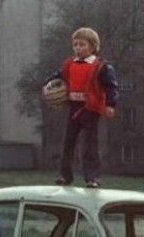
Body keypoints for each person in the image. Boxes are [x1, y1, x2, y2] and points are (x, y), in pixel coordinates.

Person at [45, 27, 118, 189]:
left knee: (90, 144)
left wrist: (110, 104)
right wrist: (47, 84)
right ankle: (65, 175)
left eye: (82, 44)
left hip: (90, 108)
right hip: (74, 107)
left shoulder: (101, 66)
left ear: (92, 46)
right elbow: (58, 76)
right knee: (68, 142)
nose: (78, 48)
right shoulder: (69, 64)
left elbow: (111, 87)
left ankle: (92, 178)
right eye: (75, 45)